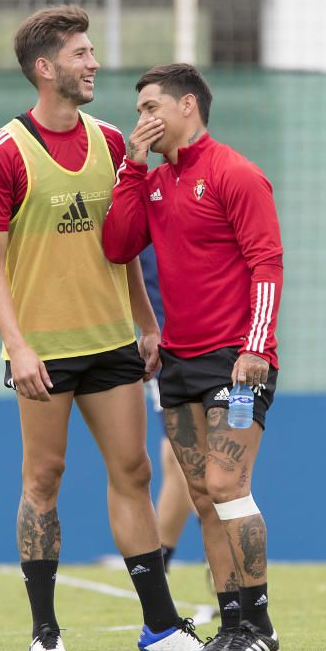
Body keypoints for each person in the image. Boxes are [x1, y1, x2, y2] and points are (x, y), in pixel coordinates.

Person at [0, 11, 202, 651]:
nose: (93, 63)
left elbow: (121, 244)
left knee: (133, 470)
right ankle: (45, 631)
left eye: (92, 51)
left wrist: (147, 323)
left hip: (111, 343)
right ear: (46, 69)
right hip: (41, 349)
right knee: (44, 478)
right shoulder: (3, 152)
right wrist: (17, 345)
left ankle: (159, 627)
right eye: (81, 53)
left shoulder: (109, 142)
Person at [103, 63, 284, 651]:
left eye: (151, 107)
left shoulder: (236, 173)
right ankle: (231, 625)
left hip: (235, 361)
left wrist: (257, 345)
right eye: (138, 111)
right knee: (203, 494)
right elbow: (118, 244)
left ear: (187, 107)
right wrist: (131, 164)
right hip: (177, 363)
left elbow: (267, 263)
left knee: (229, 482)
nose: (142, 120)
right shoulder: (153, 183)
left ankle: (260, 627)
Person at [139, 245, 192, 573]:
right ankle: (162, 561)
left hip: (187, 348)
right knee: (175, 458)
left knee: (189, 458)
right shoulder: (138, 206)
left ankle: (227, 578)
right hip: (164, 348)